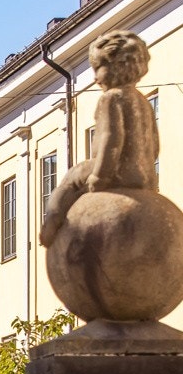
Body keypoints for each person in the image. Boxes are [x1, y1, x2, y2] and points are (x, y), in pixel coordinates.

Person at [40, 30, 159, 247]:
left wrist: (99, 176)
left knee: (71, 177)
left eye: (98, 69)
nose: (95, 78)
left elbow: (111, 139)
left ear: (116, 66)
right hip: (144, 178)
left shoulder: (111, 98)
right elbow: (155, 146)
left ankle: (51, 223)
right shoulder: (142, 102)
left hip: (117, 172)